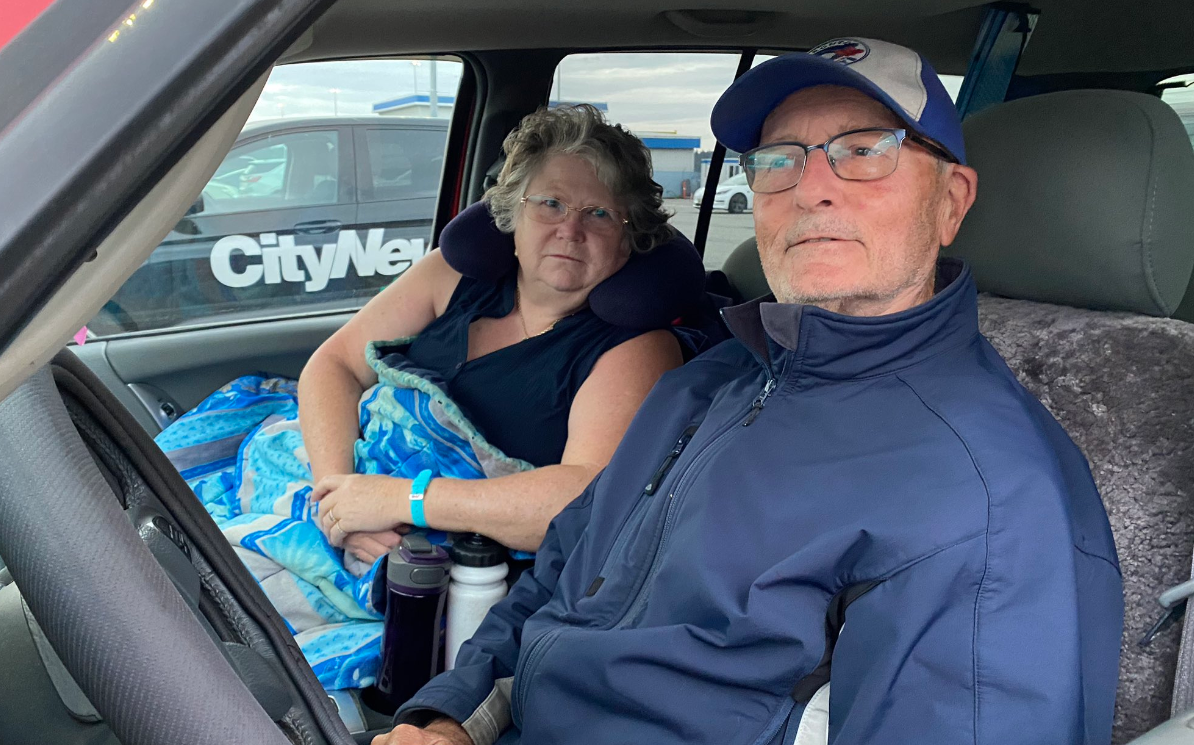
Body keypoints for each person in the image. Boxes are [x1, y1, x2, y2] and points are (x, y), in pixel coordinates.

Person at [373, 38, 1123, 745]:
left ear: (951, 201)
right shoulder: (710, 379)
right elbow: (561, 579)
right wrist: (450, 715)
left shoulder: (988, 501)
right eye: (778, 160)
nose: (811, 191)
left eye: (863, 152)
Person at [298, 104, 683, 558]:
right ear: (511, 215)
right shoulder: (449, 277)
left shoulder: (637, 348)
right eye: (551, 204)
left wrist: (398, 499)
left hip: (451, 559)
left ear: (627, 239)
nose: (570, 230)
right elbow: (335, 363)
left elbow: (582, 498)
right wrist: (339, 501)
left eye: (599, 214)